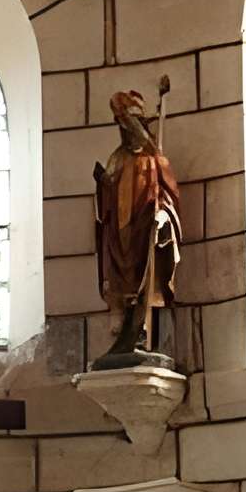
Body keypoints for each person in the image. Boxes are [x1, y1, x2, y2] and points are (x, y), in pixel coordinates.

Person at [91, 85, 183, 369]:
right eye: (122, 124)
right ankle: (125, 333)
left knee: (147, 278)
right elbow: (106, 198)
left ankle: (143, 334)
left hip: (145, 230)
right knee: (122, 280)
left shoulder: (154, 160)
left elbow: (169, 198)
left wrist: (164, 217)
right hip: (119, 234)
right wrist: (103, 184)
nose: (126, 130)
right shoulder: (117, 158)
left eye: (129, 124)